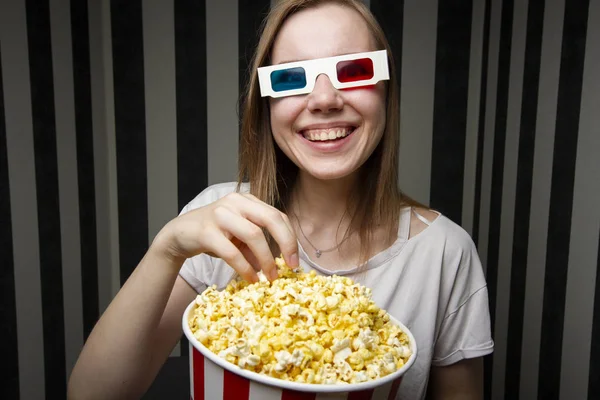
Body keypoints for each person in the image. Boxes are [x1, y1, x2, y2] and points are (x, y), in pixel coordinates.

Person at [67, 0, 494, 399]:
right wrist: (168, 249)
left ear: (386, 91)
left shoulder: (445, 253)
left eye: (354, 70)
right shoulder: (219, 222)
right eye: (291, 77)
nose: (325, 99)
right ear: (266, 105)